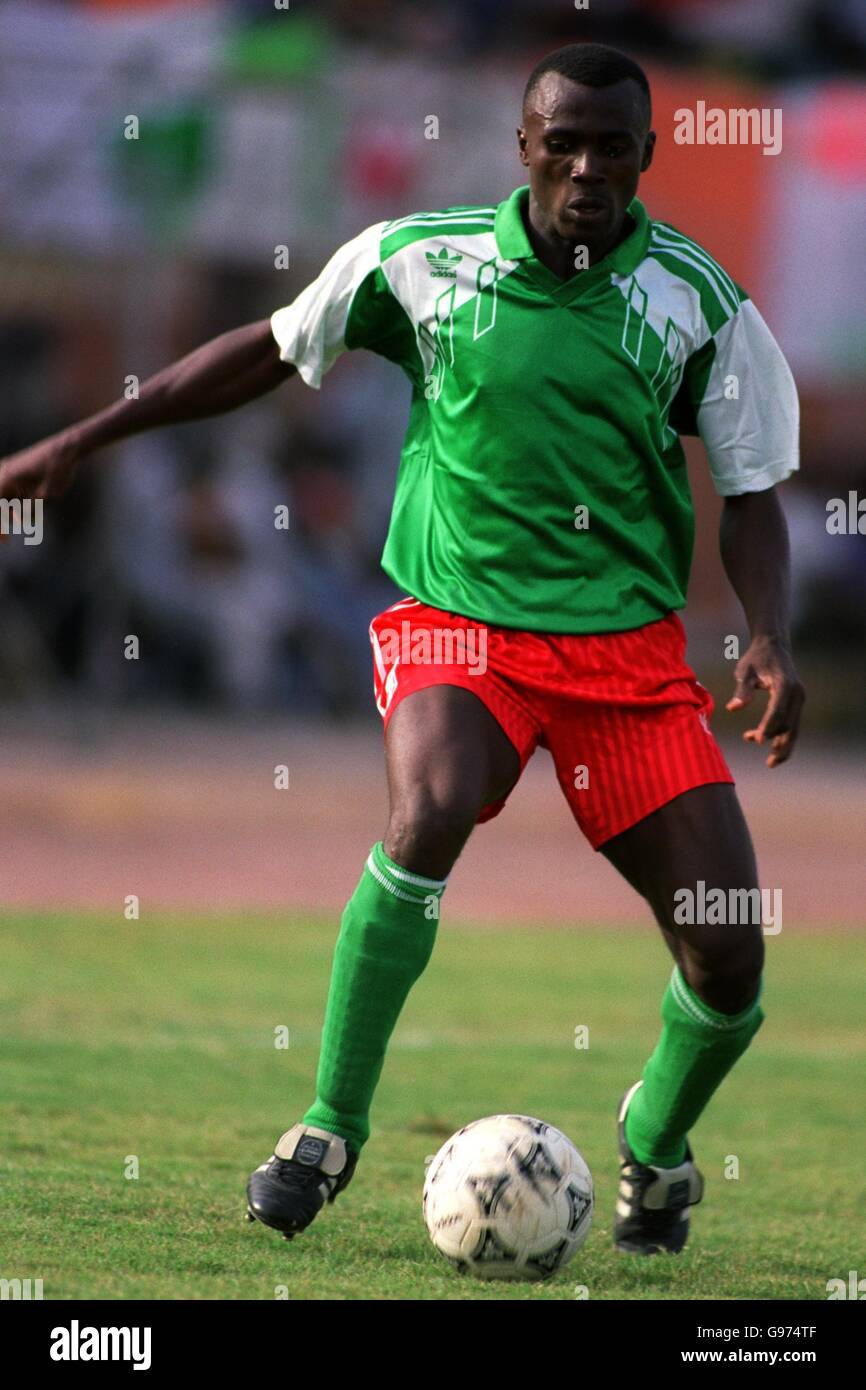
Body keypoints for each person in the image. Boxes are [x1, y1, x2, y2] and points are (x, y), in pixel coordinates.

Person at [0, 42, 804, 1257]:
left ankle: (653, 1135)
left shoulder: (697, 300)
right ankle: (325, 1128)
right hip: (460, 621)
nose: (586, 165)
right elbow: (270, 348)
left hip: (625, 660)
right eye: (562, 140)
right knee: (425, 810)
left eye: (612, 145)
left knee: (729, 950)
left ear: (647, 153)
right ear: (522, 145)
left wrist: (768, 636)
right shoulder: (418, 261)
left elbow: (750, 494)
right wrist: (85, 437)